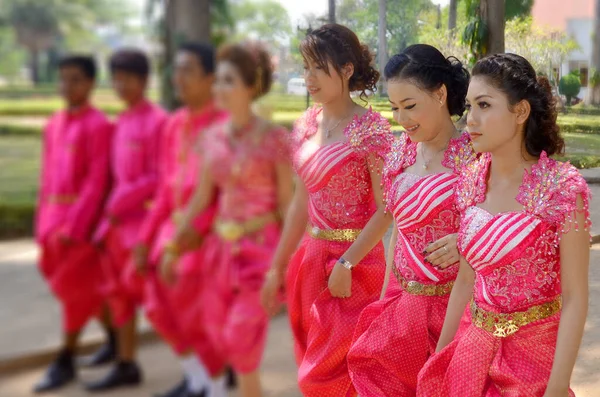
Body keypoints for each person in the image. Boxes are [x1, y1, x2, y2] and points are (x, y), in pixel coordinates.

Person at [416, 53, 590, 397]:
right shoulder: (470, 182)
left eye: (484, 105)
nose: (471, 120)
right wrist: (440, 358)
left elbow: (574, 299)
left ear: (521, 111)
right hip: (471, 355)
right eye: (468, 106)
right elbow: (466, 281)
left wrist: (555, 388)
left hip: (534, 364)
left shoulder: (562, 189)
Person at [260, 24, 395, 396]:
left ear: (347, 69)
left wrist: (347, 263)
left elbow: (387, 209)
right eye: (306, 67)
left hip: (356, 266)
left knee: (334, 373)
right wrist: (276, 266)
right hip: (309, 260)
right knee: (309, 360)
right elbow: (300, 202)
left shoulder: (372, 130)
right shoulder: (306, 125)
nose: (309, 78)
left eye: (319, 67)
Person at [345, 44, 474, 397]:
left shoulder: (478, 154)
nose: (402, 119)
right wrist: (386, 300)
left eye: (411, 106)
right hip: (402, 310)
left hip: (457, 313)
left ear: (441, 94)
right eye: (395, 108)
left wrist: (467, 243)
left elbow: (514, 227)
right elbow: (397, 228)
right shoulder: (401, 151)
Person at [169, 41, 293, 397]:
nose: (218, 89)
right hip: (219, 254)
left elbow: (287, 204)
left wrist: (288, 264)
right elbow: (200, 199)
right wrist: (173, 244)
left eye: (228, 81)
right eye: (218, 80)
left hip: (260, 255)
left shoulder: (274, 139)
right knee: (222, 338)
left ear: (251, 86)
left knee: (240, 339)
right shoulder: (210, 139)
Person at [133, 42, 227, 397]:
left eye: (188, 70)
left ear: (209, 77)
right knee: (159, 311)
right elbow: (163, 188)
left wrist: (195, 233)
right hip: (170, 231)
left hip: (205, 238)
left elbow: (223, 195)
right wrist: (144, 238)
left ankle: (215, 386)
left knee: (197, 319)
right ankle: (197, 380)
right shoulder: (173, 125)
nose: (179, 78)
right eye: (176, 70)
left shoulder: (223, 125)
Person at [84, 48, 168, 392]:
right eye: (116, 78)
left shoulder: (158, 122)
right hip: (118, 227)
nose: (120, 84)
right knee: (118, 298)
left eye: (127, 78)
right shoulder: (120, 122)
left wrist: (124, 198)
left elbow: (162, 177)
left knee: (165, 304)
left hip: (145, 227)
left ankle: (216, 364)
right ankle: (126, 363)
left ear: (145, 80)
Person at [33, 55, 113, 393]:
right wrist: (42, 224)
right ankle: (114, 340)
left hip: (78, 227)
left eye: (76, 79)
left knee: (74, 294)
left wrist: (77, 228)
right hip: (52, 222)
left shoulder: (99, 126)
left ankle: (65, 358)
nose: (68, 86)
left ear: (91, 83)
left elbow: (97, 183)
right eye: (63, 78)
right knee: (86, 291)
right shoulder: (53, 124)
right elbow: (46, 178)